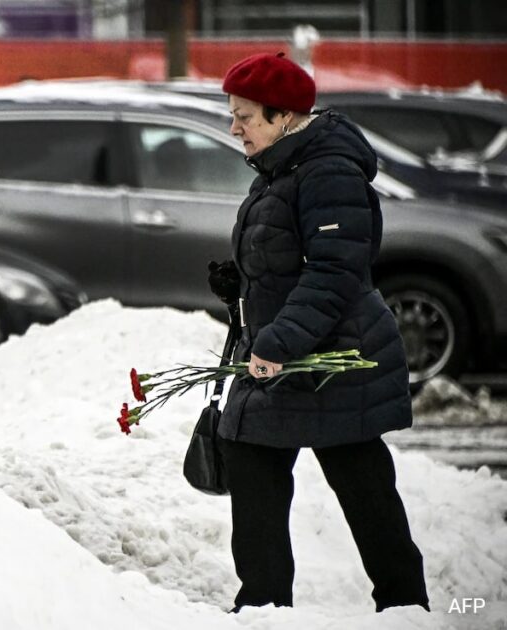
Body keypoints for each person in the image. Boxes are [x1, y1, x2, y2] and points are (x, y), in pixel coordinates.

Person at [207, 52, 429, 613]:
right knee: (249, 455)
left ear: (283, 116)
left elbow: (335, 270)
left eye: (245, 117)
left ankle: (406, 609)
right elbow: (292, 253)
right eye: (231, 114)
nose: (234, 128)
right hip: (292, 353)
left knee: (363, 487)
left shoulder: (327, 170)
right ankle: (261, 607)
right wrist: (244, 279)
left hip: (335, 359)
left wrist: (277, 341)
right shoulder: (284, 167)